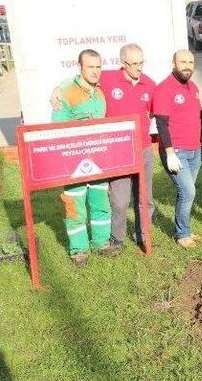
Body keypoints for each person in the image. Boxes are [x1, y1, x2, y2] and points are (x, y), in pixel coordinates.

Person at [50, 44, 156, 252]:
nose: (138, 68)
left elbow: (152, 112)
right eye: (133, 63)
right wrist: (57, 89)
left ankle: (144, 236)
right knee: (119, 201)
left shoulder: (149, 84)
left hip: (142, 149)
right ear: (122, 63)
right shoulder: (106, 79)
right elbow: (79, 80)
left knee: (145, 198)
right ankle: (116, 238)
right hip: (117, 154)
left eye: (141, 63)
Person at [51, 49, 113, 266]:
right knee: (75, 207)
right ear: (80, 67)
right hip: (72, 162)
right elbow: (58, 130)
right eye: (90, 67)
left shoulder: (100, 92)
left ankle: (102, 243)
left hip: (98, 160)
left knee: (100, 202)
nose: (95, 72)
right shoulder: (66, 92)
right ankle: (79, 250)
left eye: (98, 67)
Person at [153, 50, 202, 248]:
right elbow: (161, 124)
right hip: (177, 152)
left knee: (187, 193)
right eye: (182, 61)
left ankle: (186, 228)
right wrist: (170, 153)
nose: (187, 65)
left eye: (190, 61)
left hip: (195, 150)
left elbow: (199, 117)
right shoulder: (164, 89)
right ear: (173, 63)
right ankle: (182, 234)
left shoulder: (194, 87)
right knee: (188, 192)